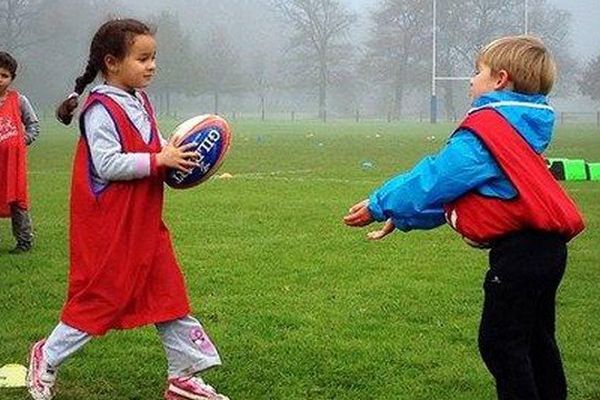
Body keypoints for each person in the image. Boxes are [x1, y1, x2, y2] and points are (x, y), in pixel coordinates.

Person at [344, 35, 584, 400]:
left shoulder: (490, 130)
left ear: (500, 79)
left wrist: (381, 202)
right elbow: (469, 198)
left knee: (501, 343)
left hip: (520, 255)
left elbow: (437, 177)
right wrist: (405, 217)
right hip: (547, 253)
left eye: (478, 72)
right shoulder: (522, 130)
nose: (471, 80)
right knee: (535, 340)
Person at [27, 19, 228, 400]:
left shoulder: (138, 98)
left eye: (154, 58)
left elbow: (152, 143)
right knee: (100, 300)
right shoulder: (99, 109)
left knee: (169, 293)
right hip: (113, 228)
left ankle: (183, 377)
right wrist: (158, 161)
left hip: (146, 223)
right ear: (112, 62)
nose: (152, 65)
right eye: (143, 58)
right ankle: (46, 355)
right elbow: (107, 164)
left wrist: (176, 153)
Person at [0, 51, 40, 254]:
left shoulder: (19, 100)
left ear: (11, 78)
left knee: (17, 199)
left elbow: (33, 125)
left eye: (4, 75)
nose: (0, 80)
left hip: (12, 163)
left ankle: (24, 240)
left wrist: (20, 142)